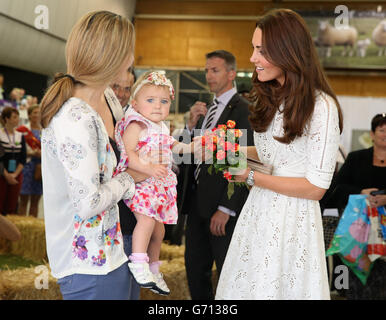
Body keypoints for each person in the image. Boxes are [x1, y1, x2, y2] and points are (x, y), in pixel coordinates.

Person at [215, 9, 343, 300]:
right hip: (257, 213)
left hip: (293, 221)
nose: (252, 58)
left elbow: (315, 187)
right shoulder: (272, 98)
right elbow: (273, 152)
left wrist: (251, 176)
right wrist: (230, 149)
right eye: (253, 48)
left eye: (261, 50)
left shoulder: (322, 107)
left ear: (287, 51)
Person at [39, 11, 138, 300]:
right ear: (113, 55)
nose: (132, 57)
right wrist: (130, 179)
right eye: (127, 50)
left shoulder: (107, 98)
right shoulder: (75, 116)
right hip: (89, 264)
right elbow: (87, 202)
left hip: (115, 248)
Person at [114, 70, 199, 296]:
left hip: (156, 187)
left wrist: (192, 147)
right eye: (150, 100)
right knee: (148, 222)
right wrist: (148, 167)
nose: (157, 106)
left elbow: (174, 146)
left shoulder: (160, 126)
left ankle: (153, 266)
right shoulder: (136, 124)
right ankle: (138, 261)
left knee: (159, 230)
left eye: (164, 101)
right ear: (135, 103)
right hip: (141, 186)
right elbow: (127, 154)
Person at [178, 50, 254, 300]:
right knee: (194, 272)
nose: (209, 76)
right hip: (196, 204)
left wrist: (226, 208)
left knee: (227, 273)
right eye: (207, 70)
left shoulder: (241, 110)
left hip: (222, 210)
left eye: (215, 70)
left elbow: (240, 162)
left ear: (231, 73)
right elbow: (187, 156)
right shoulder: (206, 110)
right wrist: (190, 127)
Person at [322, 113, 386, 299]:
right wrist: (361, 192)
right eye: (382, 130)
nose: (385, 134)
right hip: (356, 233)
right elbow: (337, 189)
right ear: (372, 134)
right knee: (354, 283)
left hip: (383, 234)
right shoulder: (356, 158)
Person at [0, 107, 27, 215]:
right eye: (14, 117)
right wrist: (6, 175)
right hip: (1, 174)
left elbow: (23, 158)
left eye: (18, 117)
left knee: (12, 206)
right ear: (6, 119)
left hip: (16, 175)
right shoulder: (0, 135)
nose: (17, 120)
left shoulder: (20, 136)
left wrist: (15, 174)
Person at [18, 105, 42, 217]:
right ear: (29, 114)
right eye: (34, 112)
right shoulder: (23, 130)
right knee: (23, 199)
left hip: (40, 168)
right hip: (27, 167)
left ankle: (33, 224)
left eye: (39, 112)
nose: (37, 115)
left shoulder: (45, 130)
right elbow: (17, 150)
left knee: (35, 200)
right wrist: (32, 153)